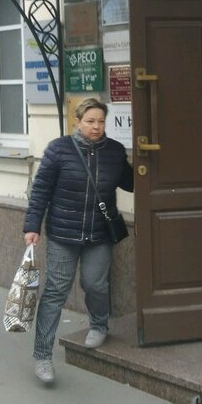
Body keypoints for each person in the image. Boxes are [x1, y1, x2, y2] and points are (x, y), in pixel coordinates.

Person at [23, 97, 133, 384]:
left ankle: (99, 325)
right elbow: (41, 191)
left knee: (95, 283)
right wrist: (32, 226)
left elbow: (133, 182)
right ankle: (43, 356)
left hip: (99, 234)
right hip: (63, 233)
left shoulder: (115, 152)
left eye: (100, 121)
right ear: (78, 122)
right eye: (90, 121)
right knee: (56, 291)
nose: (96, 127)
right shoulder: (59, 150)